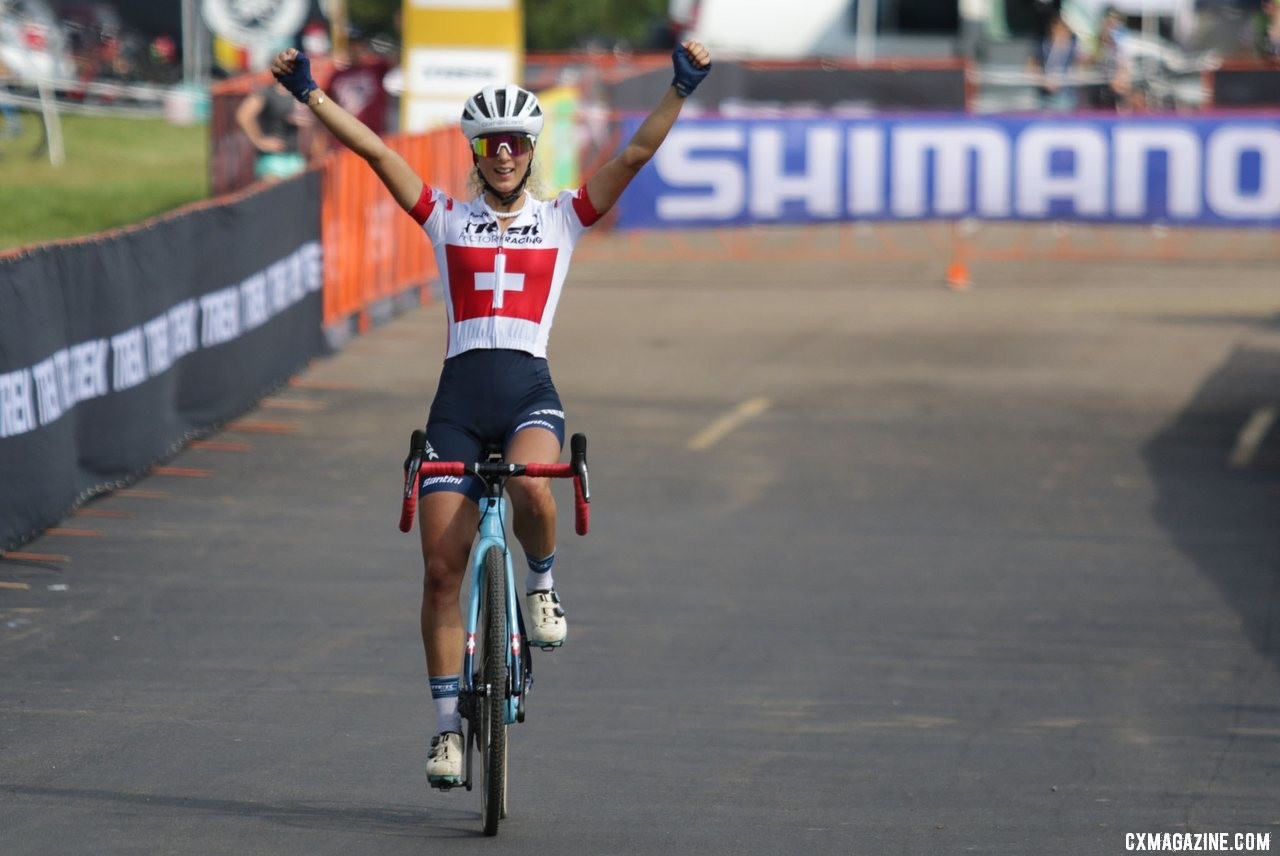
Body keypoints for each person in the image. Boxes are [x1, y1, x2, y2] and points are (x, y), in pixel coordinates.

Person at [269, 40, 712, 788]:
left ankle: (540, 584)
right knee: (441, 574)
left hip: (528, 389)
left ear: (530, 152)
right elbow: (377, 153)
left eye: (515, 145)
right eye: (491, 145)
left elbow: (634, 155)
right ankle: (447, 731)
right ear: (476, 152)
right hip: (457, 404)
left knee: (538, 485)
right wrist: (310, 94)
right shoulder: (444, 217)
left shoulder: (564, 217)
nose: (504, 156)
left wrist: (679, 87)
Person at [235, 80, 310, 182]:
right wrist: (259, 141)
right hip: (272, 160)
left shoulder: (298, 93)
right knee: (275, 195)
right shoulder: (266, 93)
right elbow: (243, 115)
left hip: (294, 158)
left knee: (297, 195)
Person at [1027, 11, 1081, 112]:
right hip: (1045, 94)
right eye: (1055, 25)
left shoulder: (1073, 46)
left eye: (1062, 26)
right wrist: (1042, 81)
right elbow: (1032, 64)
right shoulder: (1042, 44)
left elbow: (1082, 65)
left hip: (1066, 94)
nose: (1057, 29)